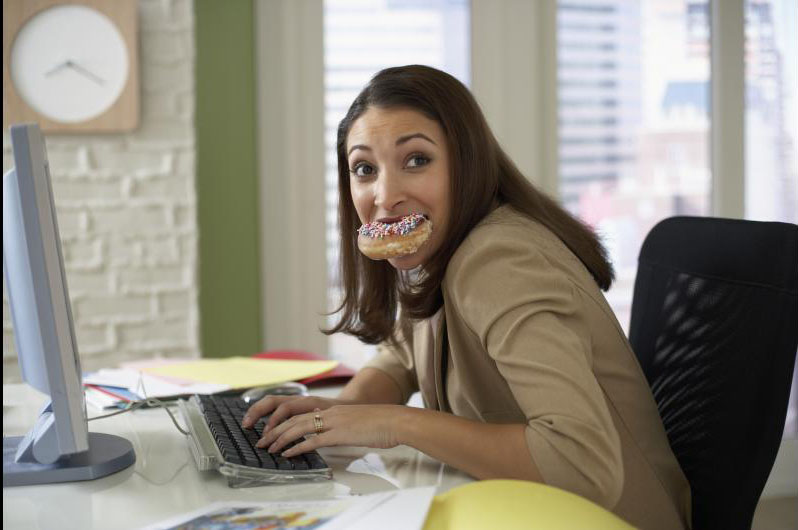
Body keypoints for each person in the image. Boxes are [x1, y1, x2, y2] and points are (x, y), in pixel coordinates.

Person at [242, 65, 691, 529]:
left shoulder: (499, 258)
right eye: (365, 169)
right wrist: (343, 410)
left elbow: (580, 463)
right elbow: (404, 353)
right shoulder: (437, 246)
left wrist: (395, 423)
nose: (385, 196)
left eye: (417, 160)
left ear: (467, 162)